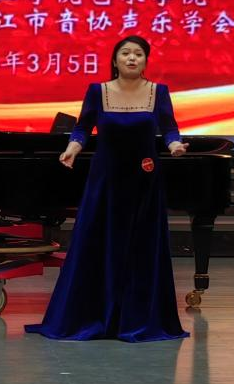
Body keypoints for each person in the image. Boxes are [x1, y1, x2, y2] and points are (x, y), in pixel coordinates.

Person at [25, 35, 190, 342]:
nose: (132, 58)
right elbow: (82, 127)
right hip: (105, 182)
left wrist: (175, 145)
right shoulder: (97, 91)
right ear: (115, 60)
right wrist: (72, 149)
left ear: (146, 60)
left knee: (142, 248)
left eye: (138, 54)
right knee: (96, 244)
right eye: (125, 53)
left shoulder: (158, 92)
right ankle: (93, 315)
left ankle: (137, 319)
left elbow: (169, 128)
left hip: (144, 182)